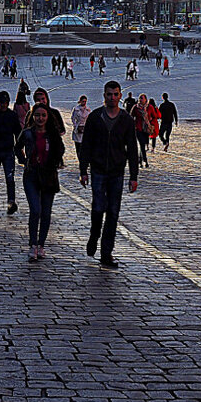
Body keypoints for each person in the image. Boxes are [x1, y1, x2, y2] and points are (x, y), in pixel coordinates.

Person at [79, 81, 140, 269]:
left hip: (116, 172)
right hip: (97, 170)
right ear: (104, 96)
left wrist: (134, 176)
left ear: (120, 96)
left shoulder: (126, 120)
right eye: (109, 94)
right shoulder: (95, 117)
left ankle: (107, 252)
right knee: (98, 209)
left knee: (113, 213)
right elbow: (86, 145)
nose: (112, 97)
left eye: (115, 94)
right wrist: (83, 171)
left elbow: (132, 149)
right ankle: (94, 234)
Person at [16, 103, 65, 262]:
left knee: (46, 212)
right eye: (37, 115)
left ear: (48, 117)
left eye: (43, 115)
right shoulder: (28, 133)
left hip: (49, 175)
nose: (40, 118)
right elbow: (17, 148)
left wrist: (55, 160)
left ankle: (41, 245)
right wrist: (24, 160)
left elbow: (61, 149)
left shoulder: (52, 134)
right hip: (31, 175)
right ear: (33, 116)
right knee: (35, 210)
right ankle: (32, 244)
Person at [129, 94, 152, 166]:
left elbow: (155, 116)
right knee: (142, 144)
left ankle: (140, 159)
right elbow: (130, 116)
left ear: (145, 99)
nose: (140, 99)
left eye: (142, 98)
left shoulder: (149, 107)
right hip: (138, 128)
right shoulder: (135, 107)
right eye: (139, 98)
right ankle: (145, 160)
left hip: (146, 128)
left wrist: (150, 120)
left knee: (144, 144)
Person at [70, 95, 91, 167]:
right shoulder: (76, 109)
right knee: (78, 147)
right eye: (83, 101)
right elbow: (73, 118)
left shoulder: (88, 109)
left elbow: (89, 119)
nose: (84, 103)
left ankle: (85, 161)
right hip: (78, 129)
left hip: (85, 129)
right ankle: (80, 160)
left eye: (85, 101)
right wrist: (76, 126)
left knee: (85, 147)